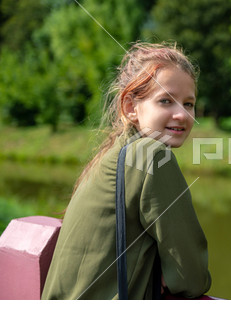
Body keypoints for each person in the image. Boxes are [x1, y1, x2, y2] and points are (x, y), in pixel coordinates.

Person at [41, 42, 211, 300]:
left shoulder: (113, 156)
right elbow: (191, 278)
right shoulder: (151, 155)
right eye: (166, 100)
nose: (182, 115)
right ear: (131, 107)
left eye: (188, 104)